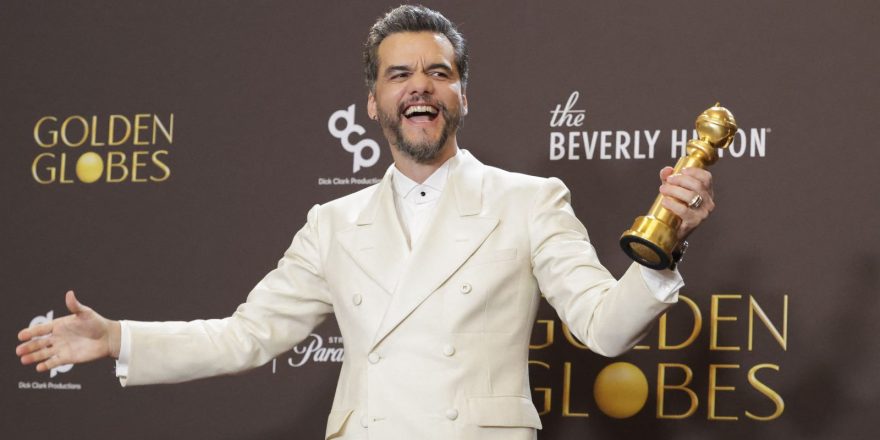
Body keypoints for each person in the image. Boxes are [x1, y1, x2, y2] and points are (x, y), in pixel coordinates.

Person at [16, 5, 715, 440]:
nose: (420, 85)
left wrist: (664, 246)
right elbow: (246, 336)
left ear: (461, 95)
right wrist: (119, 337)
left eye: (439, 72)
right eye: (399, 74)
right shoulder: (332, 223)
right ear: (374, 102)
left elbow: (604, 328)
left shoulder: (529, 201)